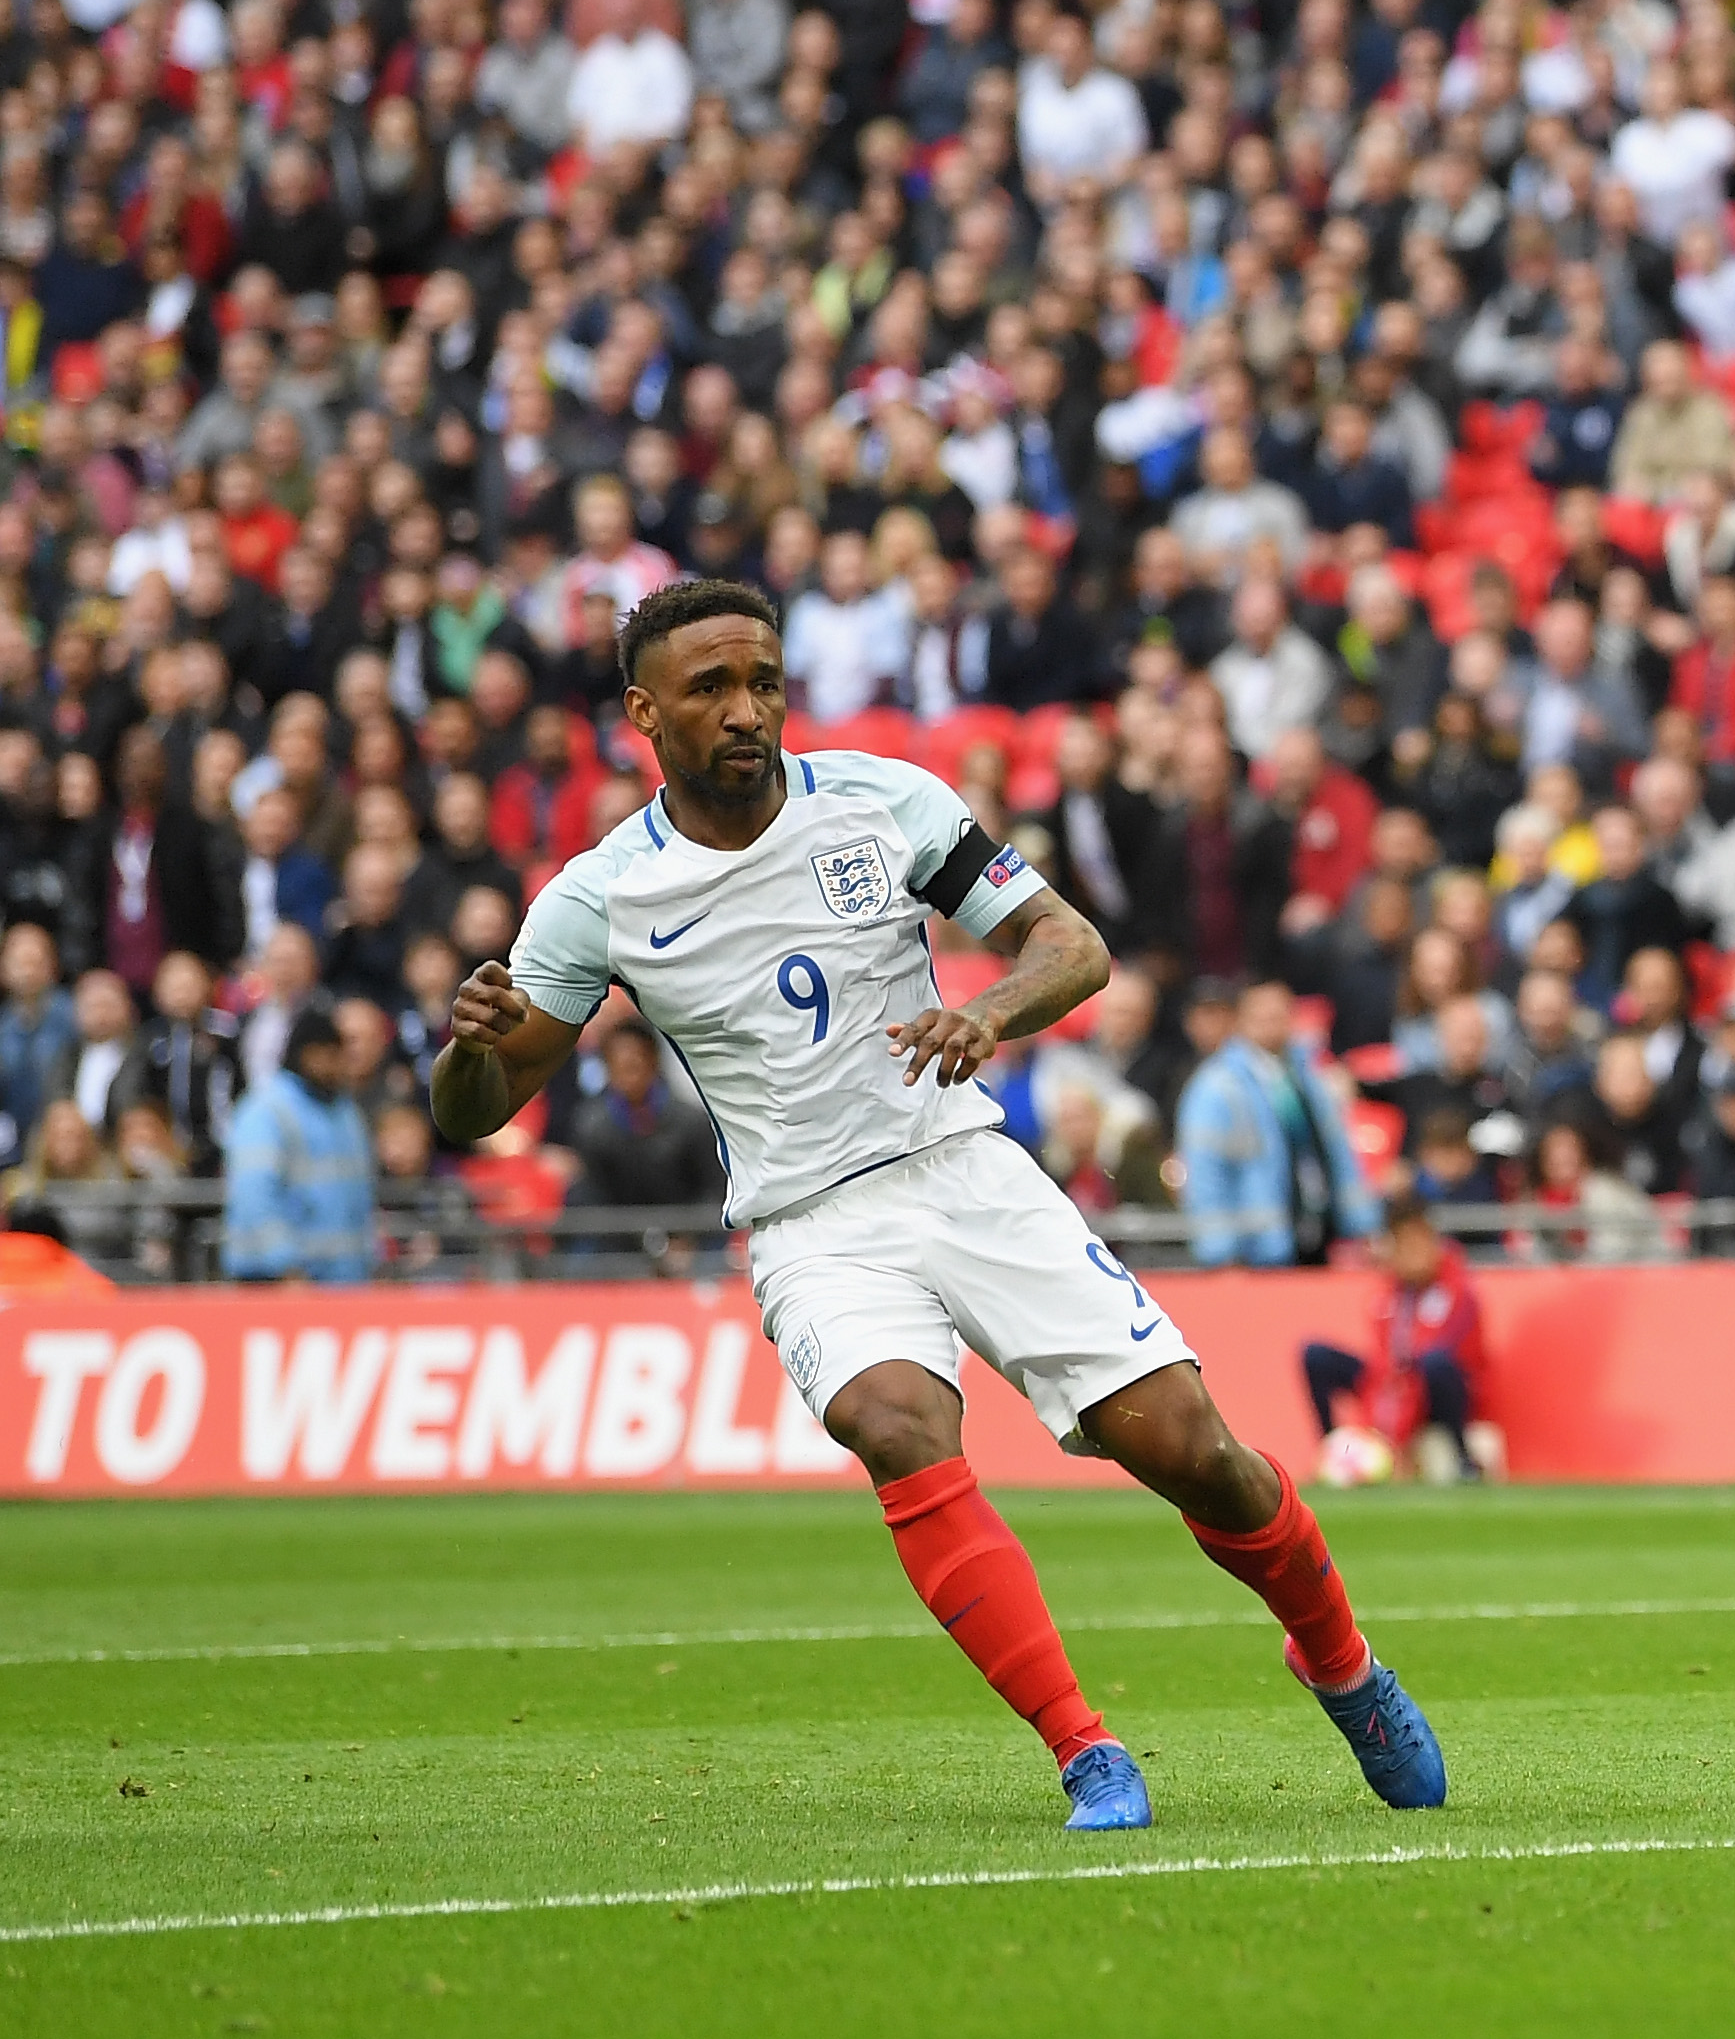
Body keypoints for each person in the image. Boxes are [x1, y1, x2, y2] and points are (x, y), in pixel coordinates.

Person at [435, 580, 1444, 1833]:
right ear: (644, 711)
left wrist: (988, 1010)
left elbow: (1073, 946)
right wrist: (470, 1048)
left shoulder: (881, 798)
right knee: (893, 1421)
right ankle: (1088, 1750)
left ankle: (1342, 1664)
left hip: (962, 1166)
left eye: (763, 679)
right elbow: (479, 1105)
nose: (746, 709)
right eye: (710, 688)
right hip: (811, 1223)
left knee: (1195, 1453)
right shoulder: (599, 895)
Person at [1178, 973, 1378, 1268]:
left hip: (1320, 1237)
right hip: (1256, 1251)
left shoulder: (1309, 1077)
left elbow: (1339, 1155)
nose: (1273, 1024)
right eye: (1262, 1016)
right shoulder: (1216, 1087)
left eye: (1280, 1014)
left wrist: (1362, 1225)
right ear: (1240, 1021)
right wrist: (1220, 1252)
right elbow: (1206, 1175)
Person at [1304, 1199, 1498, 1481]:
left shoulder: (1459, 1289)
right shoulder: (1387, 1294)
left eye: (1418, 1244)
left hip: (1440, 1391)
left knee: (1436, 1363)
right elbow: (1385, 1354)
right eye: (1404, 1245)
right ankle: (1334, 1450)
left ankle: (1462, 1458)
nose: (1413, 1254)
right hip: (1392, 1382)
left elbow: (1438, 1349)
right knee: (1315, 1355)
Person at [219, 998, 379, 1281]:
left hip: (342, 1283)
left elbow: (360, 1197)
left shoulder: (344, 1111)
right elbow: (254, 1196)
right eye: (334, 1054)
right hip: (279, 1283)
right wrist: (284, 1267)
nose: (342, 1064)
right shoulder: (266, 1111)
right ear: (310, 1055)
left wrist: (368, 1262)